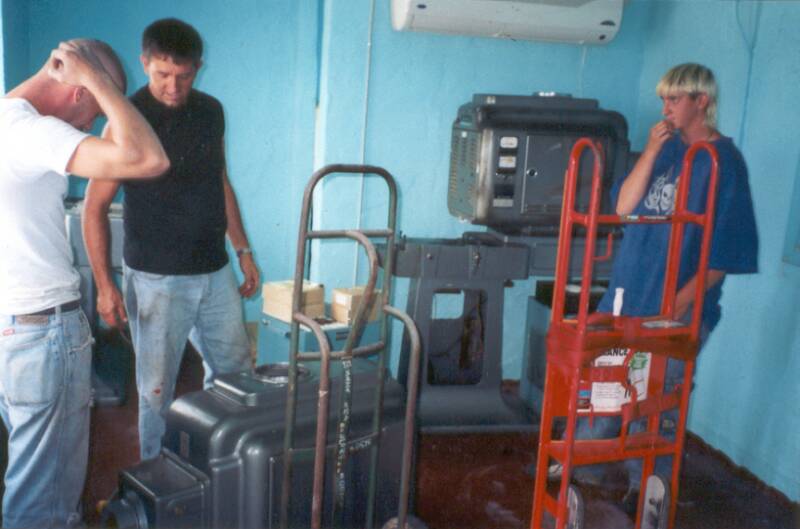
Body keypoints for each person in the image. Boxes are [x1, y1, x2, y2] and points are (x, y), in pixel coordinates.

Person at [560, 63, 759, 516]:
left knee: (656, 404)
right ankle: (583, 472)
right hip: (629, 294)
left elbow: (723, 257)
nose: (665, 108)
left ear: (701, 101)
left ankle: (646, 494)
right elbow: (625, 208)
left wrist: (677, 305)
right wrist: (649, 153)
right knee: (603, 385)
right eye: (663, 99)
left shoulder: (722, 162)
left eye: (674, 98)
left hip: (674, 308)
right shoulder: (666, 150)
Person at [0, 40, 169, 528]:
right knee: (42, 505)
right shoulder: (30, 131)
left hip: (13, 329)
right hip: (39, 336)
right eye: (95, 112)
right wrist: (97, 79)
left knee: (31, 479)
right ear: (76, 92)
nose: (91, 127)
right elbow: (148, 159)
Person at [83, 18, 259, 461]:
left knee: (235, 376)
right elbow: (94, 207)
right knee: (155, 393)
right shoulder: (126, 119)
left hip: (214, 271)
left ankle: (226, 466)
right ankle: (155, 482)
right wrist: (105, 286)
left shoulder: (211, 111)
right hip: (156, 280)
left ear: (198, 68)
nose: (173, 87)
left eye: (184, 76)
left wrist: (242, 249)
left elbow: (220, 182)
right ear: (145, 64)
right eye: (162, 75)